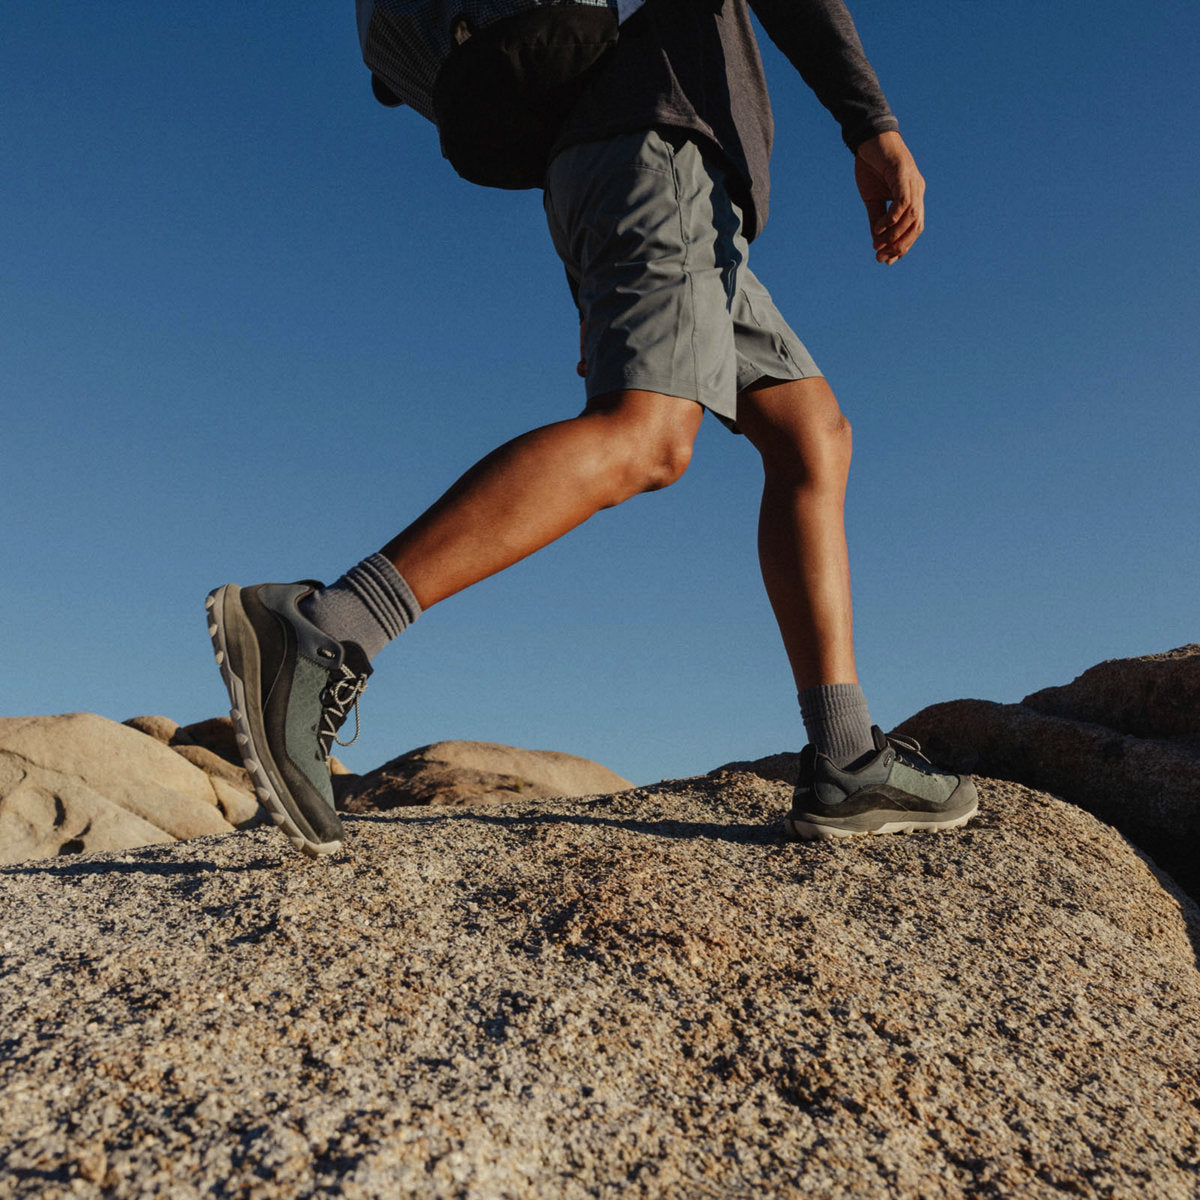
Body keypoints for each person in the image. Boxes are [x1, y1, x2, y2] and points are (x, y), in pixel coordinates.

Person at [205, 0, 977, 858]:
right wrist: (873, 127)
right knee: (647, 436)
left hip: (627, 171)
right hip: (661, 151)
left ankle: (846, 754)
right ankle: (326, 628)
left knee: (811, 432)